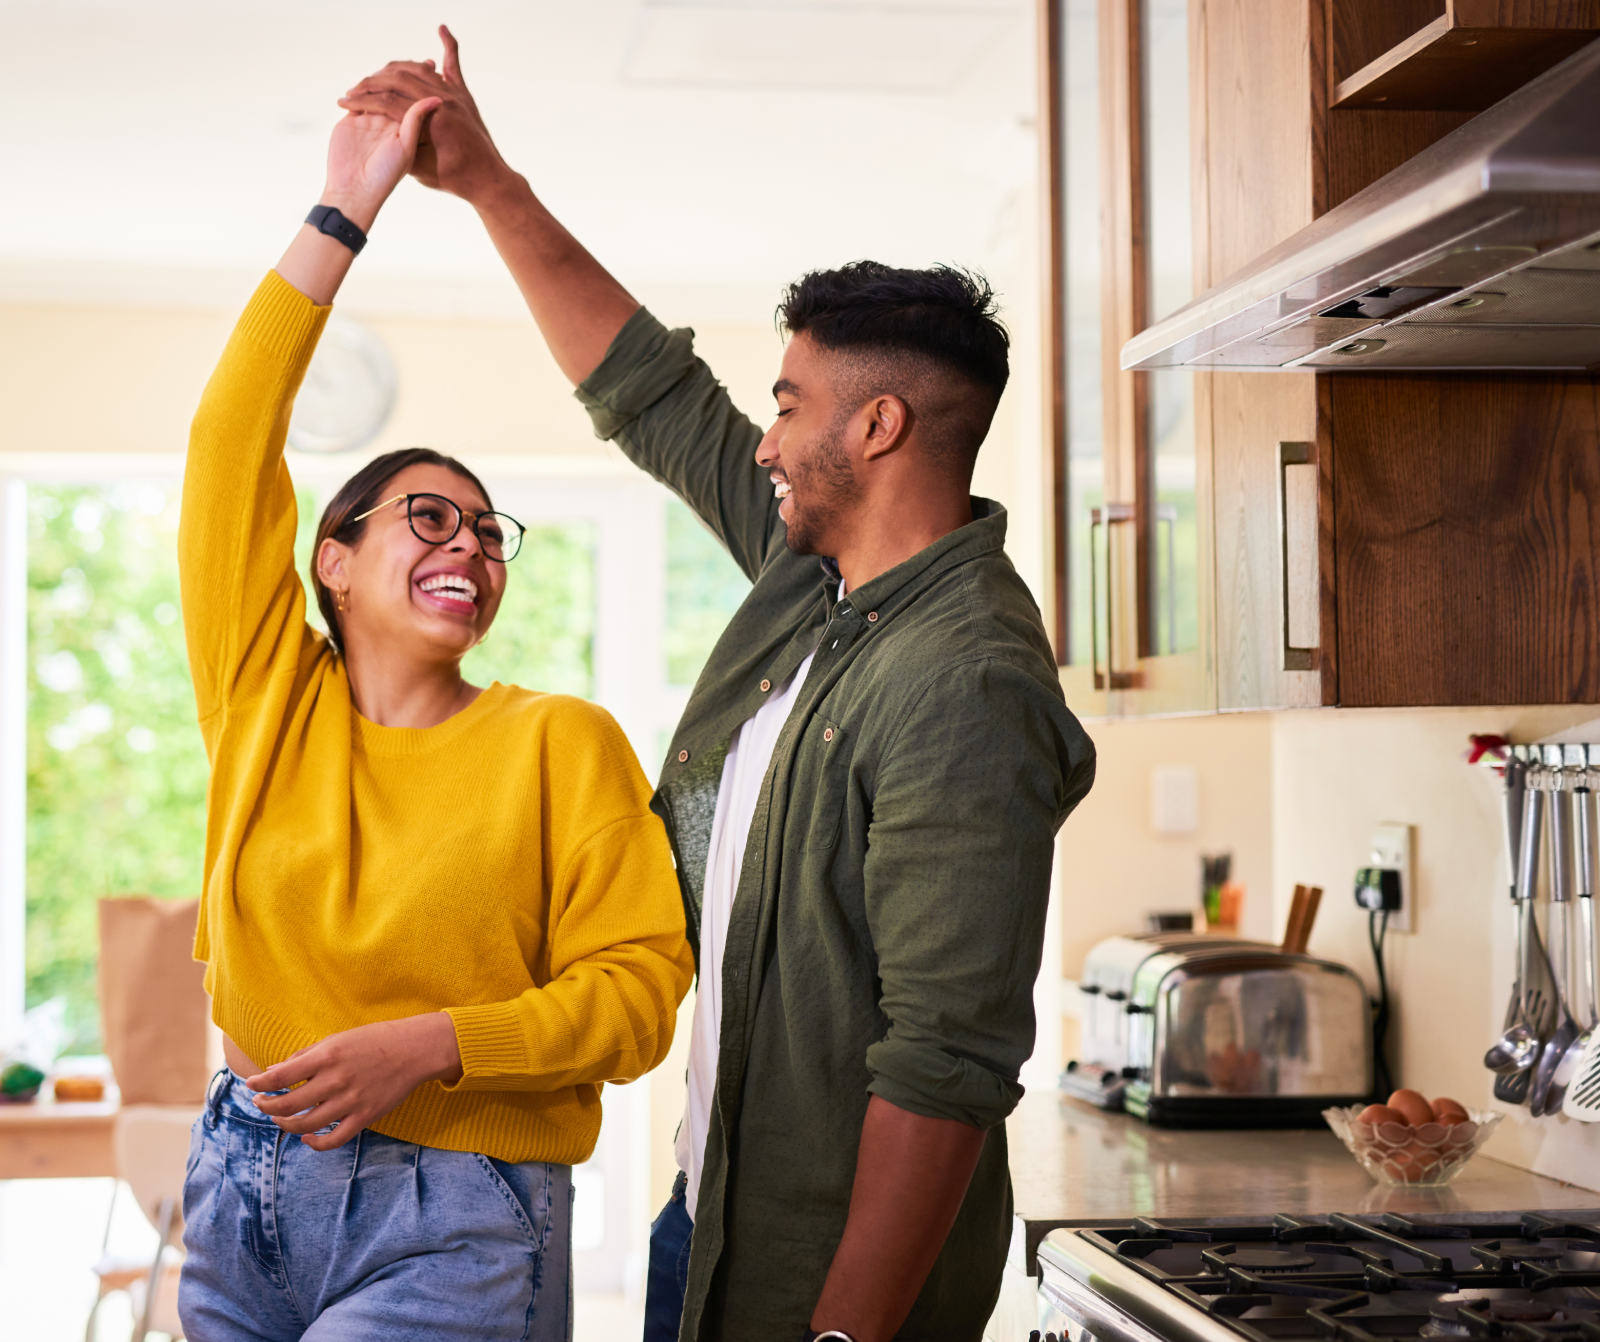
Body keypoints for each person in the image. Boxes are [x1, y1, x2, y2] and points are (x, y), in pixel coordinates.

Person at [345, 30, 1097, 1342]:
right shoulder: (820, 580)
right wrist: (485, 180)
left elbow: (947, 1069)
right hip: (716, 1215)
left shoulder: (962, 680)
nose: (764, 437)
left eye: (791, 403)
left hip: (824, 1279)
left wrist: (843, 1337)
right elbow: (654, 395)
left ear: (875, 429)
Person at [176, 91, 694, 1342]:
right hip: (238, 1187)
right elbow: (227, 443)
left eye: (486, 529)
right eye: (427, 515)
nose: (470, 540)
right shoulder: (265, 699)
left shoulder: (557, 742)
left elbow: (638, 991)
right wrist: (345, 208)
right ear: (333, 562)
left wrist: (433, 1046)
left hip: (456, 1212)